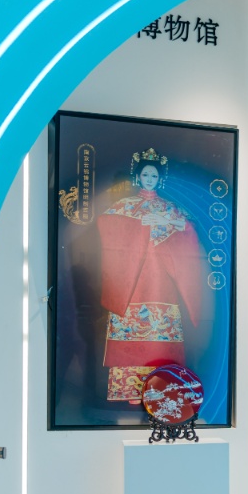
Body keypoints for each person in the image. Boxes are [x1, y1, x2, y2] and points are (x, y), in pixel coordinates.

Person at [97, 147, 204, 403]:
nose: (149, 179)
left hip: (161, 282)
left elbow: (189, 231)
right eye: (145, 174)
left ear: (160, 179)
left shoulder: (169, 208)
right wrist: (139, 226)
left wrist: (174, 224)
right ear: (138, 176)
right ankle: (130, 389)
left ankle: (162, 388)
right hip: (132, 282)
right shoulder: (125, 206)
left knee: (160, 334)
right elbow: (106, 225)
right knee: (131, 329)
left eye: (154, 176)